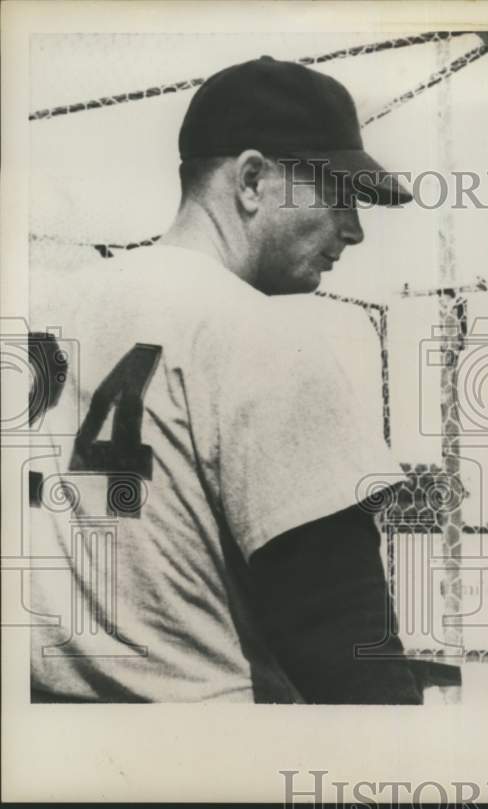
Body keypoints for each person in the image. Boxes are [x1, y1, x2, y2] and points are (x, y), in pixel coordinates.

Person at [28, 56, 421, 703]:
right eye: (338, 193)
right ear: (251, 179)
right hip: (214, 756)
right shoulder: (259, 333)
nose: (353, 228)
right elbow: (343, 636)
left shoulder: (42, 320)